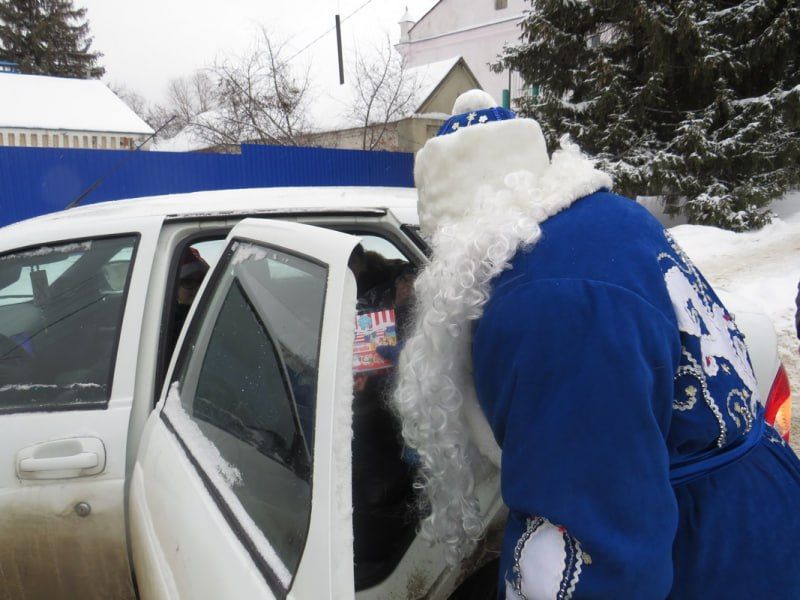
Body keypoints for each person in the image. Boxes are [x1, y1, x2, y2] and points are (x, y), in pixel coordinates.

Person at [392, 90, 800, 599]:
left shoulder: (546, 304)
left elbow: (595, 557)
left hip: (711, 560)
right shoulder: (606, 217)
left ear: (454, 233)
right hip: (758, 518)